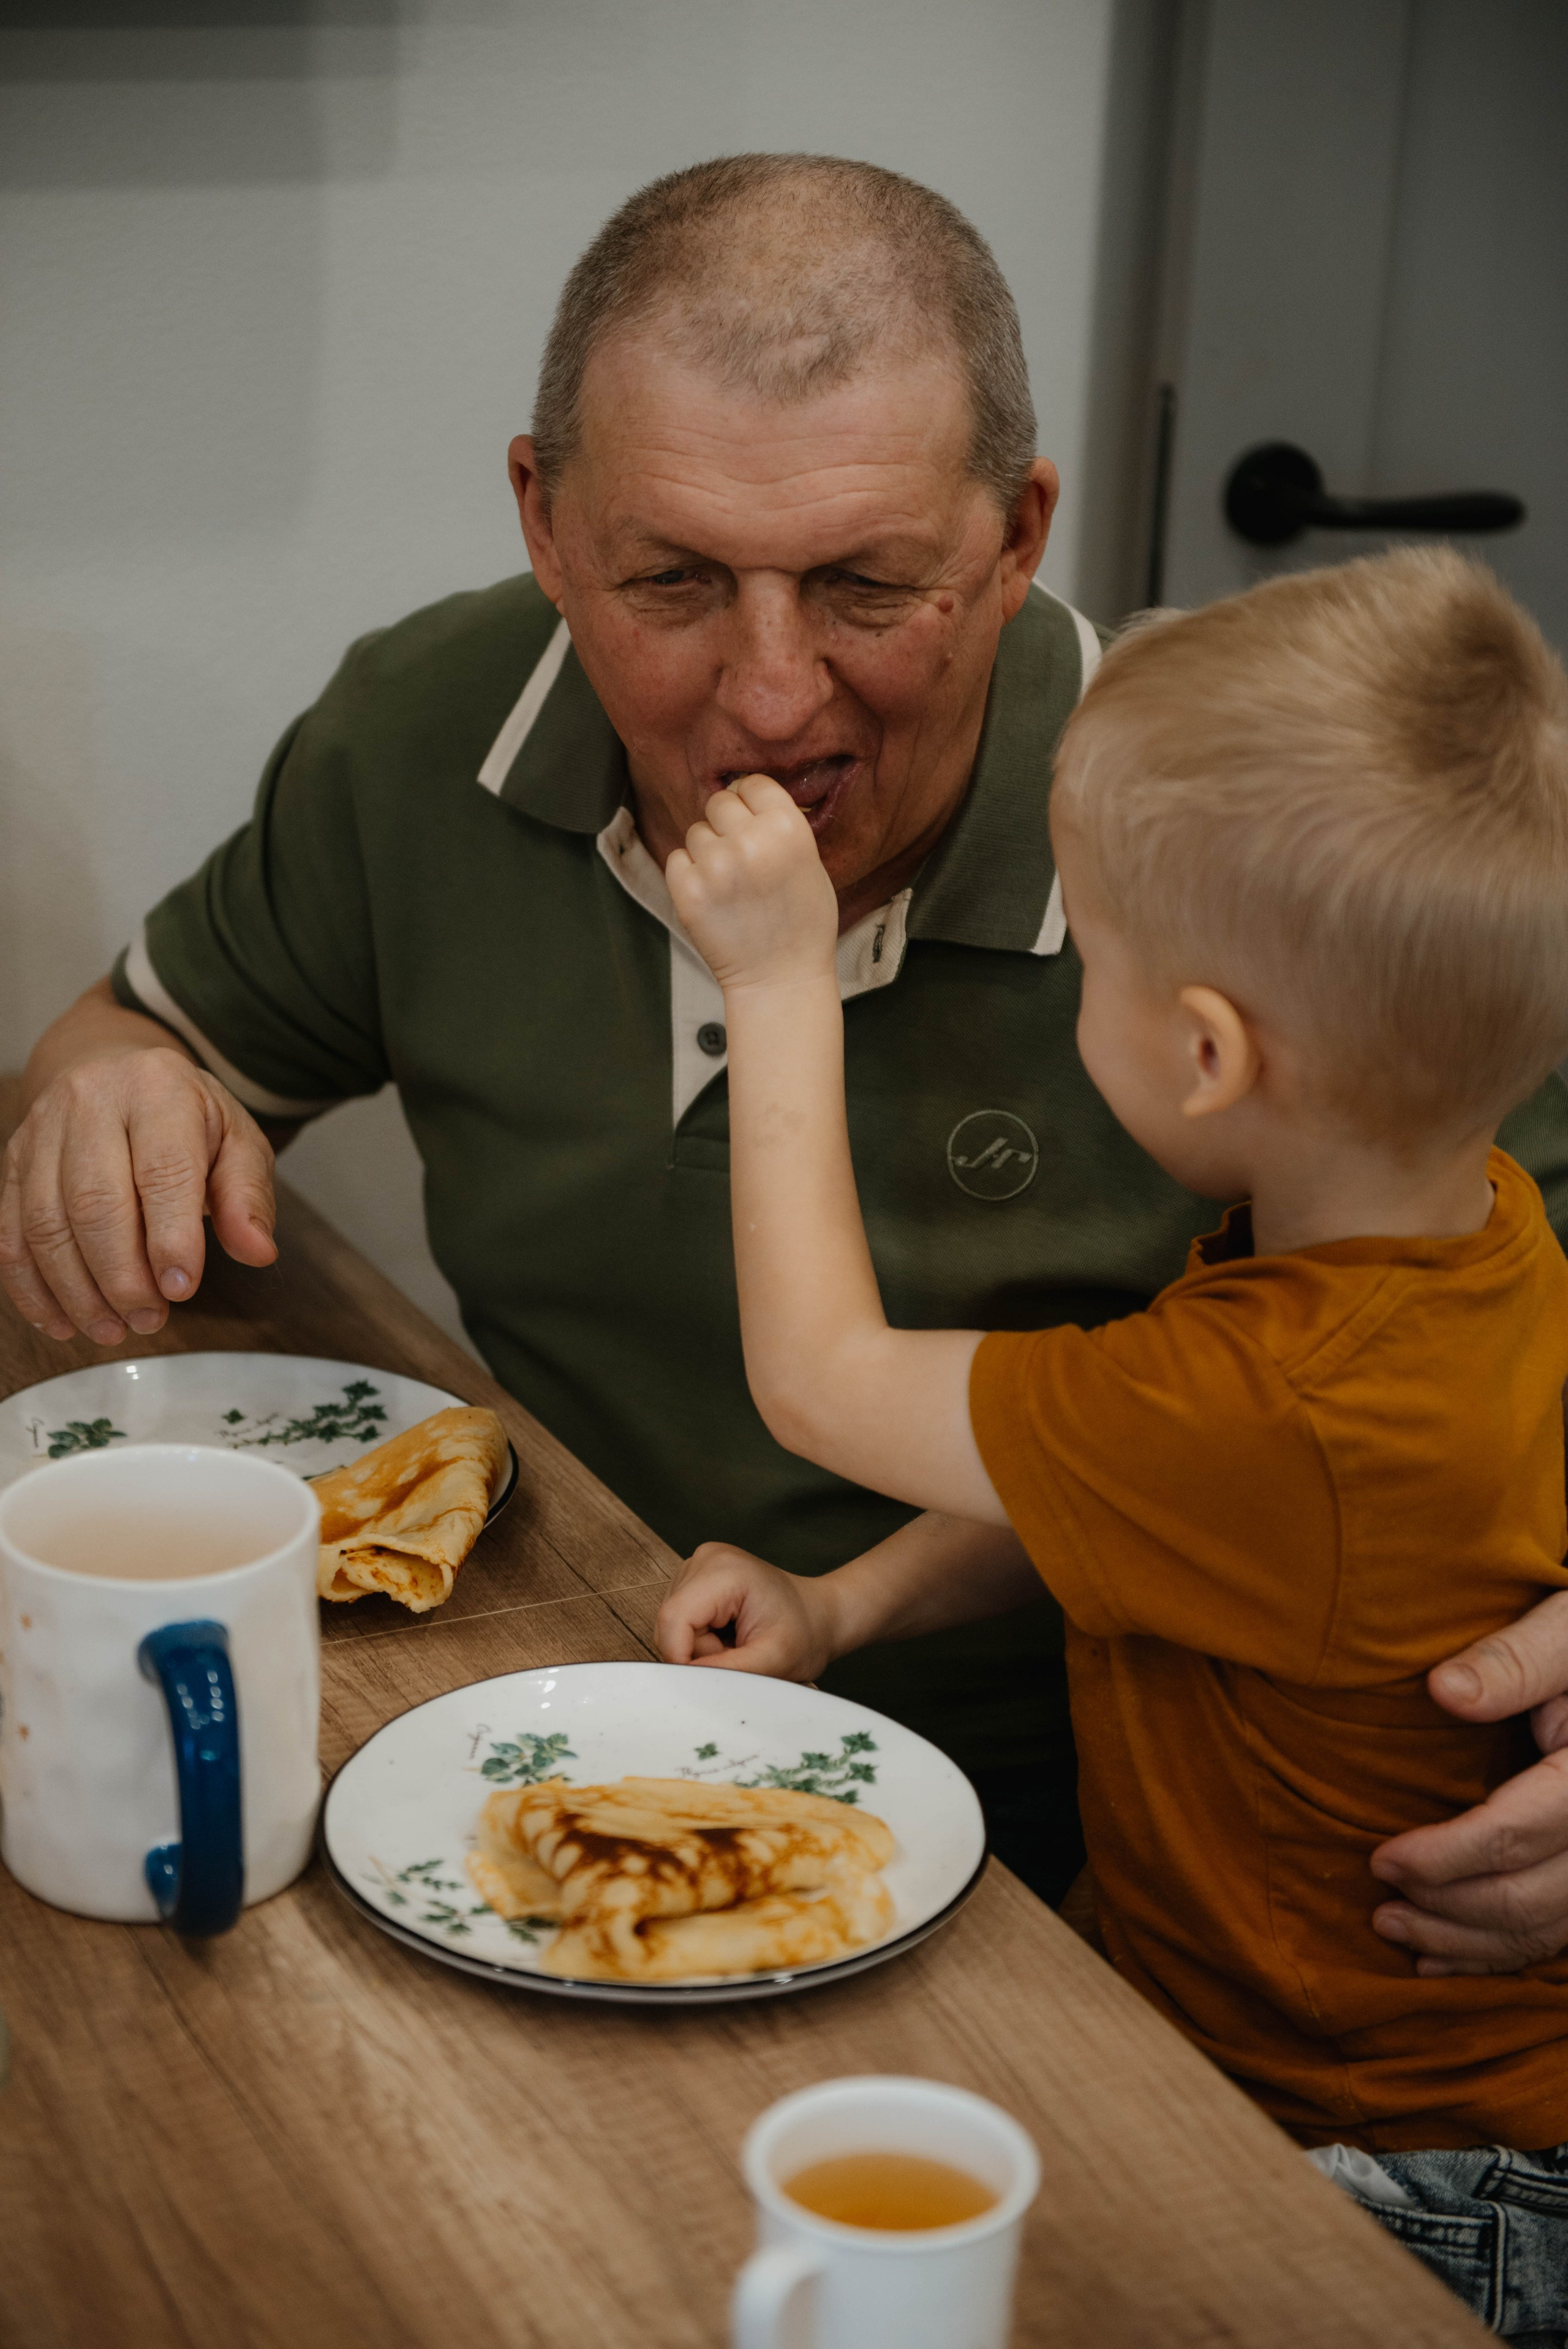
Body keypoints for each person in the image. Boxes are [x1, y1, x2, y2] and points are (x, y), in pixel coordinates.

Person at [4, 158, 1568, 1951]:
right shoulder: (417, 728)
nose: (765, 698)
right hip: (530, 1708)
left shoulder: (1254, 859)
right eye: (669, 579)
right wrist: (109, 1087)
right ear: (543, 521)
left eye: (868, 585)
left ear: (1016, 537)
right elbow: (127, 1041)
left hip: (1109, 1872)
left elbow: (1484, 1328)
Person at [657, 548, 1568, 2332]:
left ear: (1210, 1054)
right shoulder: (1471, 1236)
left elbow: (826, 1381)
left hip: (1389, 2175)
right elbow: (1113, 1499)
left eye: (1099, 954)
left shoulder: (1278, 1404)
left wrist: (777, 980)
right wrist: (845, 1613)